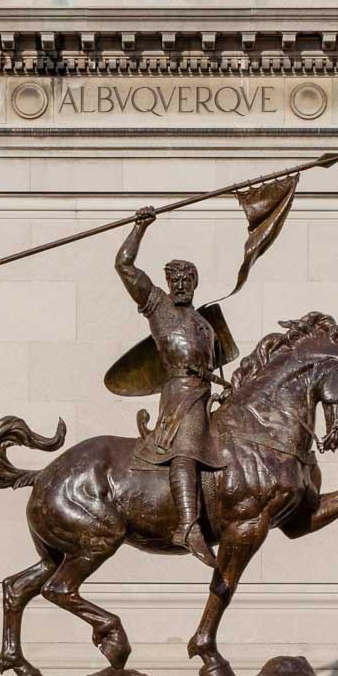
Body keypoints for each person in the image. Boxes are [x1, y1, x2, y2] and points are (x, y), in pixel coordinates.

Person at [115, 207, 223, 567]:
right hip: (180, 394)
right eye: (173, 279)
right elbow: (125, 266)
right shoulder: (158, 306)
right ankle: (187, 524)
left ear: (195, 283)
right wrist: (139, 228)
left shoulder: (205, 325)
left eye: (186, 279)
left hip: (206, 392)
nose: (179, 285)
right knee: (187, 445)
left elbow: (213, 365)